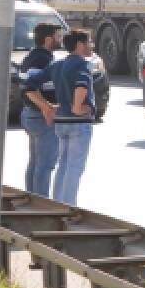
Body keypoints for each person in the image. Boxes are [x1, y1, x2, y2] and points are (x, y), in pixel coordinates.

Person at [51, 30, 96, 205]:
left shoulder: (59, 64)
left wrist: (47, 107)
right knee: (75, 167)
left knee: (62, 165)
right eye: (89, 42)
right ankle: (69, 206)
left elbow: (31, 81)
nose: (92, 45)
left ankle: (56, 203)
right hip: (78, 123)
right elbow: (81, 84)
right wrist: (78, 107)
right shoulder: (82, 65)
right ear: (79, 45)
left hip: (61, 121)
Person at [19, 22, 63, 196]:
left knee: (35, 162)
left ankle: (32, 198)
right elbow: (29, 88)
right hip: (41, 117)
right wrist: (47, 108)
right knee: (45, 165)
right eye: (58, 36)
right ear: (48, 39)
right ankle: (41, 203)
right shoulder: (42, 60)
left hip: (31, 115)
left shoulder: (31, 57)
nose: (61, 40)